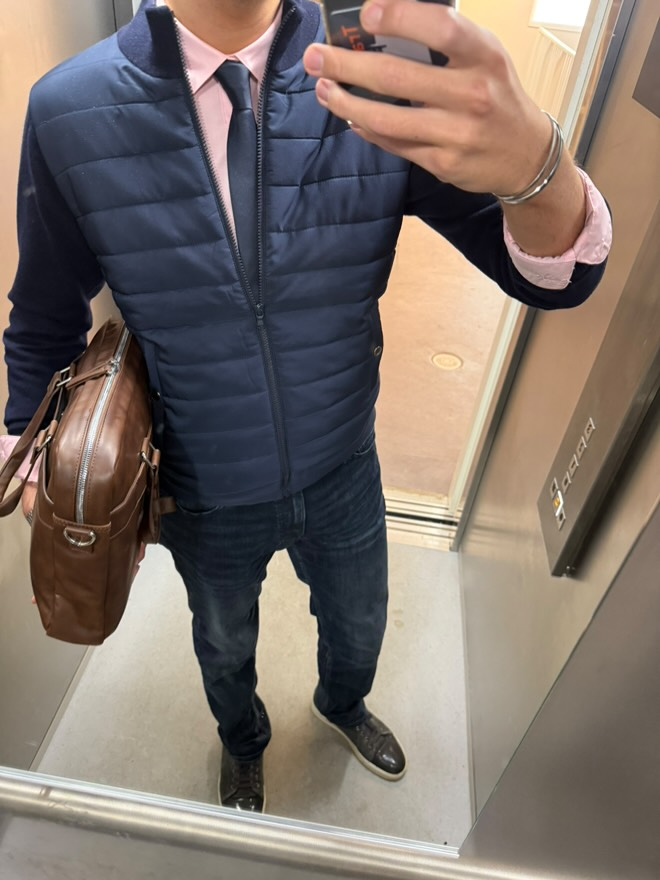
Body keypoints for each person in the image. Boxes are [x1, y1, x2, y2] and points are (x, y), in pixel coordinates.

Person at [1, 0, 611, 813]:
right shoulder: (68, 110)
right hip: (201, 485)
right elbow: (44, 315)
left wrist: (536, 165)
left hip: (343, 463)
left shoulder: (374, 81)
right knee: (223, 644)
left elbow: (556, 278)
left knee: (360, 624)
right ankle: (242, 741)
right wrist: (30, 452)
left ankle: (342, 705)